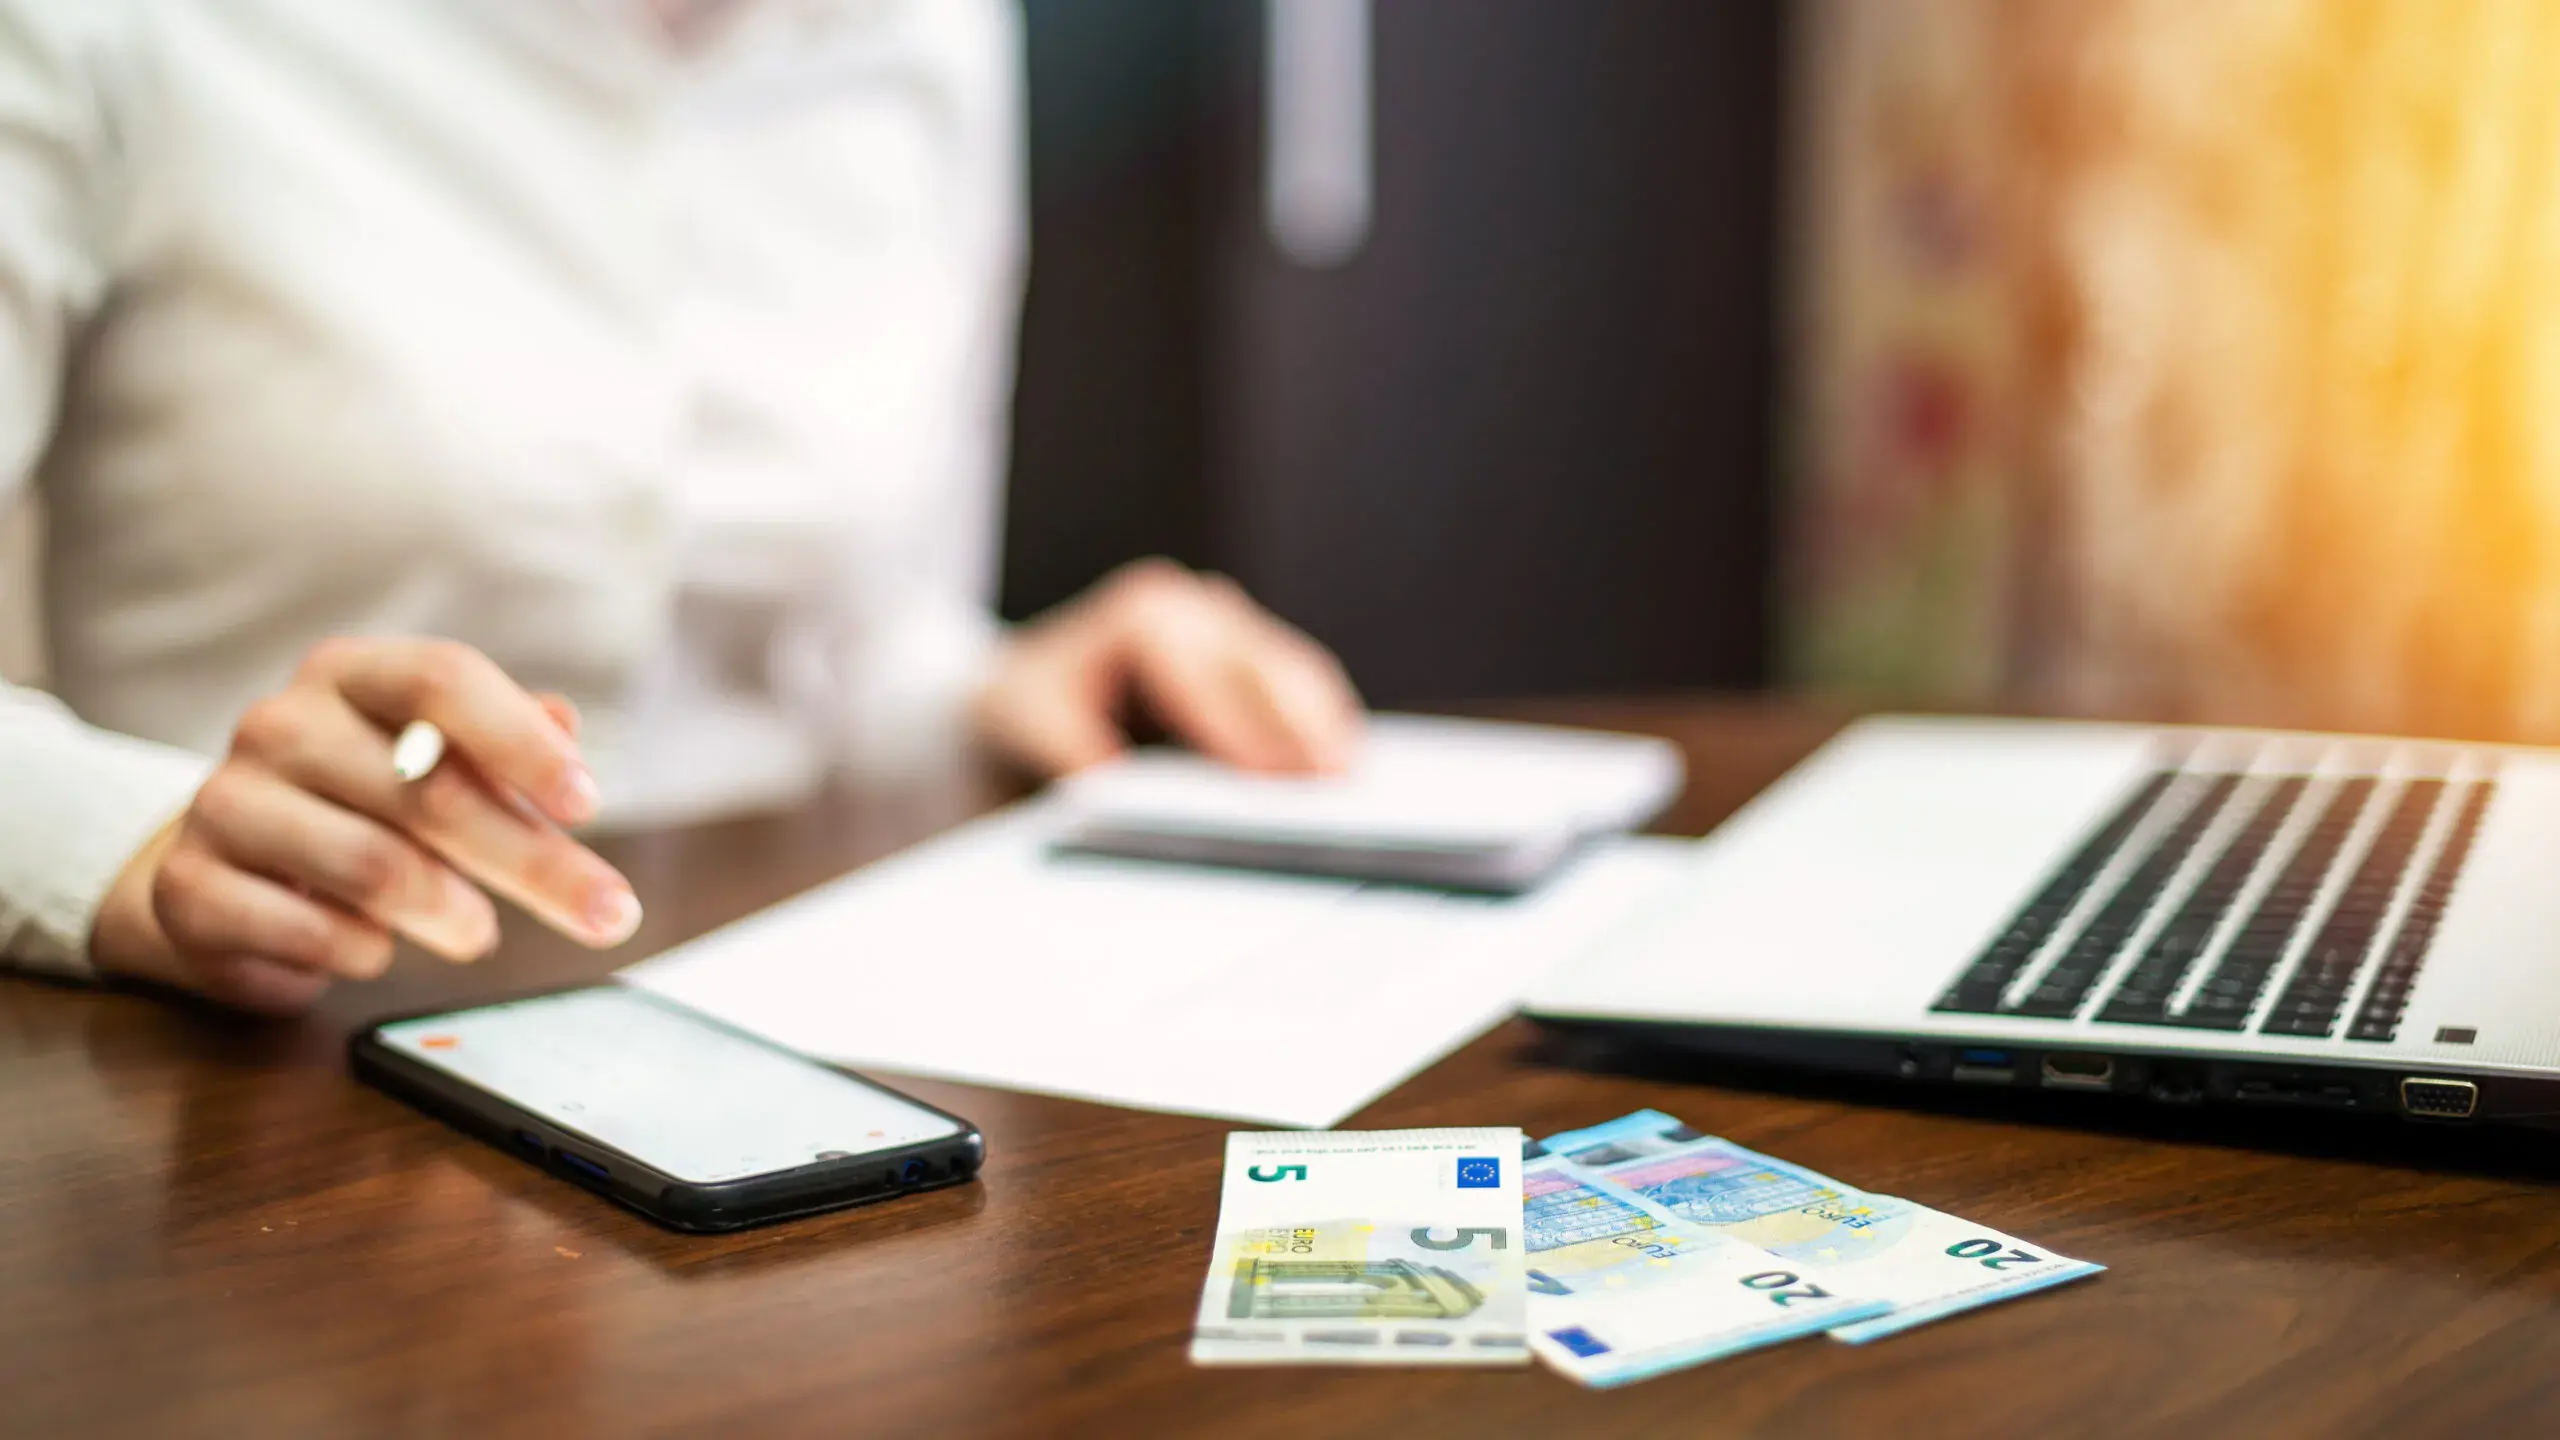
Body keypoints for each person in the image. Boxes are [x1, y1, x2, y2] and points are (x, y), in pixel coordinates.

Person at [0, 0, 1362, 1016]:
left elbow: (841, 636)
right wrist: (139, 843)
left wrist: (1001, 686)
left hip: (805, 1025)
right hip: (250, 1062)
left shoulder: (931, 34)